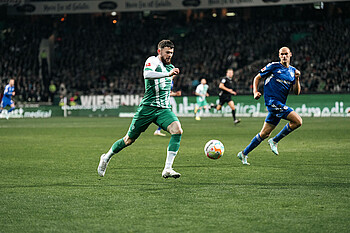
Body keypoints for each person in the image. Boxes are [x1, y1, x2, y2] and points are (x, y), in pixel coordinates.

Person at [98, 40, 183, 179]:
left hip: (163, 109)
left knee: (177, 130)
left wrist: (172, 89)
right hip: (147, 109)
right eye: (167, 52)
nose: (170, 55)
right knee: (128, 140)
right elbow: (147, 75)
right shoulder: (152, 61)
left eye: (172, 53)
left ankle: (167, 168)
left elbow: (164, 88)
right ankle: (106, 158)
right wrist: (167, 75)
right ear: (159, 51)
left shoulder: (171, 67)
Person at [237, 47, 302, 165]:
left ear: (290, 54)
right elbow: (257, 78)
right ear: (279, 55)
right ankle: (275, 141)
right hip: (272, 102)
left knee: (264, 134)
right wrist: (255, 92)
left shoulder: (293, 71)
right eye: (282, 54)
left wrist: (297, 79)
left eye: (286, 54)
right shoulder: (273, 66)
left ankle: (243, 153)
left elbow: (296, 92)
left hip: (280, 104)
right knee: (298, 121)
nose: (284, 56)